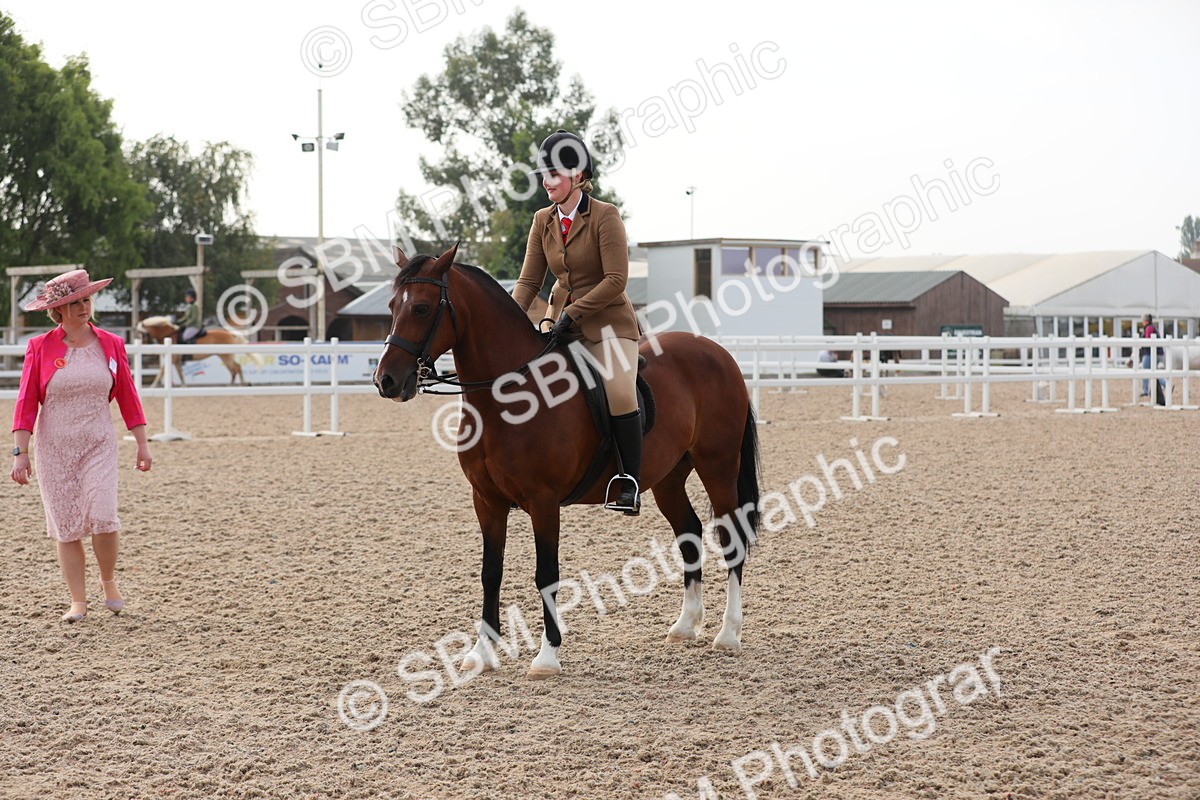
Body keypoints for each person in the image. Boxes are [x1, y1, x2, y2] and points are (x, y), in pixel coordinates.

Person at [511, 130, 643, 515]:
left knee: (619, 391)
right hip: (559, 322)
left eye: (553, 174)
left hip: (608, 326)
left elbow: (616, 279)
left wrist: (573, 312)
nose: (546, 181)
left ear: (578, 175)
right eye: (543, 174)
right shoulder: (542, 220)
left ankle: (629, 482)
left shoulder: (605, 215)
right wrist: (509, 319)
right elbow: (529, 282)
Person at [10, 269, 153, 622]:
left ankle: (108, 581)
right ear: (57, 310)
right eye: (74, 303)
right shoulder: (39, 347)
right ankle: (78, 601)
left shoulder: (111, 344)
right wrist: (20, 452)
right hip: (54, 448)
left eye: (86, 300)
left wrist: (142, 444)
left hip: (98, 442)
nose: (83, 308)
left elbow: (128, 396)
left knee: (103, 514)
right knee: (67, 525)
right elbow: (26, 402)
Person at [1138, 313, 1165, 399]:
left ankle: (1145, 390)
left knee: (1145, 371)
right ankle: (1166, 384)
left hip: (1149, 353)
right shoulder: (1153, 327)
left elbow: (1147, 341)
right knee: (1154, 372)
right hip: (1156, 353)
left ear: (1146, 321)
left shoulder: (1149, 328)